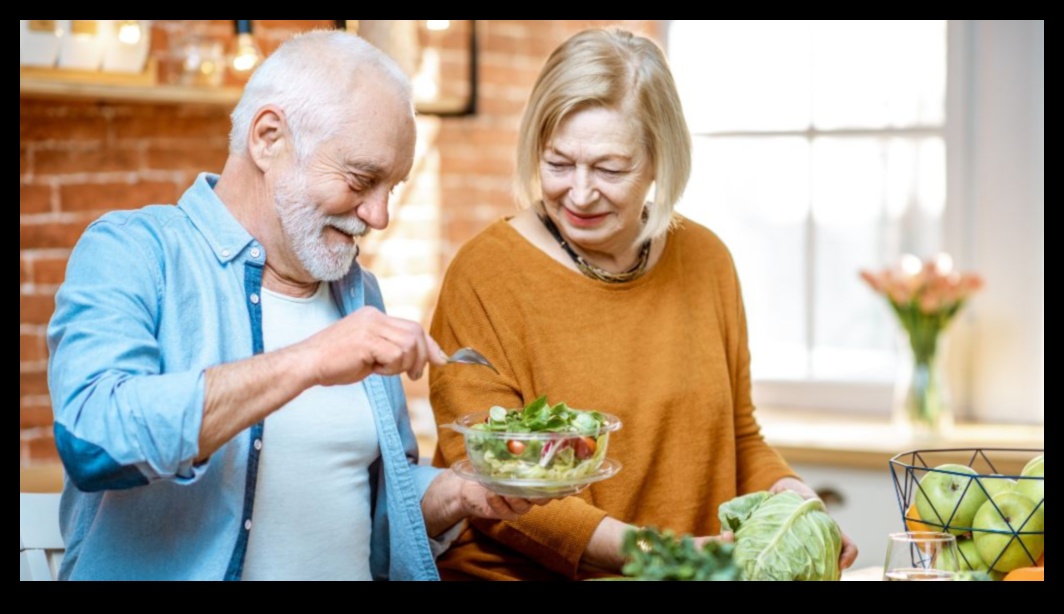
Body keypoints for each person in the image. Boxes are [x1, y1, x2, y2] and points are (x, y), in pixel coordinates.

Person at [46, 30, 537, 582]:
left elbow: (363, 518)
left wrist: (460, 494)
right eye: (361, 178)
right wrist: (308, 360)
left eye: (392, 189)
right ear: (269, 137)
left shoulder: (358, 293)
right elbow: (92, 440)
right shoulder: (134, 250)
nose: (379, 216)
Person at [428, 28, 860, 581]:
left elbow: (739, 437)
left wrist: (793, 501)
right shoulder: (485, 274)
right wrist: (664, 557)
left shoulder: (706, 260)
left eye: (610, 169)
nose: (580, 194)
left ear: (660, 160)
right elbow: (498, 486)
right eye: (559, 163)